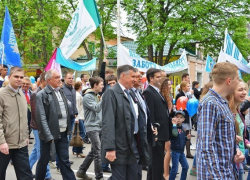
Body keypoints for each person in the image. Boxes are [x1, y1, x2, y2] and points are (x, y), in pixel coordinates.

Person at [196, 62, 244, 179]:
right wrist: (217, 177)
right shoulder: (211, 103)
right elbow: (206, 147)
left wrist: (236, 151)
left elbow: (221, 139)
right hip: (218, 175)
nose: (238, 81)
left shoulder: (221, 102)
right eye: (237, 79)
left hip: (227, 172)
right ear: (229, 81)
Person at [102, 65, 141, 180]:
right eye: (132, 76)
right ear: (123, 75)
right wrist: (110, 148)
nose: (135, 79)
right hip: (119, 145)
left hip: (132, 143)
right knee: (119, 177)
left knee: (133, 176)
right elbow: (108, 122)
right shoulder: (111, 93)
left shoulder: (131, 93)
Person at [35, 69, 76, 180]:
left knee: (64, 160)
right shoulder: (41, 95)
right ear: (49, 80)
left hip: (62, 133)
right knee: (44, 161)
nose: (60, 79)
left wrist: (68, 129)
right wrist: (48, 136)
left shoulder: (60, 91)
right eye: (57, 77)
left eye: (60, 77)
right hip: (49, 136)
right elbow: (41, 118)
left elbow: (66, 111)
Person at [0, 66, 33, 180]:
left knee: (26, 176)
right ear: (9, 77)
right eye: (16, 76)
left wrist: (26, 135)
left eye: (21, 77)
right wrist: (1, 142)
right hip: (4, 144)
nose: (19, 79)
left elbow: (24, 118)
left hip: (21, 144)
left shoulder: (22, 95)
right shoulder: (1, 94)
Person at [143, 68, 170, 180]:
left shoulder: (156, 91)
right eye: (158, 77)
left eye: (161, 76)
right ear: (151, 78)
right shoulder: (148, 92)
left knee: (154, 166)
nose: (160, 79)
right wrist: (154, 134)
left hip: (162, 133)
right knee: (156, 165)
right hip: (156, 134)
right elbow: (150, 115)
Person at [129, 69, 155, 180]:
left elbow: (144, 113)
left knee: (138, 170)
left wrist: (150, 126)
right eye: (137, 76)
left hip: (141, 134)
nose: (140, 78)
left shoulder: (139, 92)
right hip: (133, 136)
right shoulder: (128, 93)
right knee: (131, 171)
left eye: (141, 76)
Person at [76, 77, 104, 180]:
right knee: (98, 152)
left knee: (94, 152)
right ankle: (99, 177)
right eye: (101, 84)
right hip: (92, 127)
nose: (103, 86)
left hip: (98, 126)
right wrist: (103, 99)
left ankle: (81, 171)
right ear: (95, 85)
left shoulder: (96, 95)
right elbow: (96, 108)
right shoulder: (87, 97)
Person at [29, 72, 54, 180]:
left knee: (36, 150)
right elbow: (35, 114)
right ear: (43, 81)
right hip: (38, 127)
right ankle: (47, 175)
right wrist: (42, 128)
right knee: (41, 153)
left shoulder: (47, 92)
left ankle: (26, 168)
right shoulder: (36, 93)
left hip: (43, 127)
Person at [228, 80, 248, 180]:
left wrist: (247, 143)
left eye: (245, 89)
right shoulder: (228, 110)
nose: (244, 92)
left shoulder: (238, 110)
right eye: (240, 90)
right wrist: (233, 137)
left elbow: (241, 132)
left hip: (241, 156)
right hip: (233, 159)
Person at [102, 74, 117, 173]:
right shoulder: (107, 94)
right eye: (109, 83)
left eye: (113, 83)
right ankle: (103, 166)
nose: (112, 85)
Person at [169, 110, 190, 180]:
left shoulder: (182, 129)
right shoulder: (173, 127)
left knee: (185, 166)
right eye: (177, 117)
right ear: (174, 118)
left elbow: (181, 137)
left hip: (181, 152)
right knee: (175, 169)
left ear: (183, 119)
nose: (178, 119)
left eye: (181, 117)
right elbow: (175, 134)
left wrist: (186, 138)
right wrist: (174, 124)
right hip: (175, 151)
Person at [175, 81, 194, 158]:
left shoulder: (188, 95)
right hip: (183, 117)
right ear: (183, 87)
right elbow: (178, 106)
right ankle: (181, 152)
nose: (189, 88)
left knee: (188, 134)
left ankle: (188, 152)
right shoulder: (179, 95)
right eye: (188, 86)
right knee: (182, 135)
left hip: (188, 116)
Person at [160, 78, 173, 180]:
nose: (170, 87)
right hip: (163, 128)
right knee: (168, 150)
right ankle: (166, 173)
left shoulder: (169, 97)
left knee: (168, 150)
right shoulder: (162, 96)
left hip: (169, 125)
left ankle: (166, 170)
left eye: (170, 85)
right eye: (168, 85)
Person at [72, 81, 86, 158]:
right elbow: (77, 107)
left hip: (79, 116)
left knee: (77, 134)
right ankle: (79, 150)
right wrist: (77, 117)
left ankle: (75, 149)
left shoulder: (77, 95)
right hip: (78, 117)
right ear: (80, 86)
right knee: (82, 133)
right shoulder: (77, 96)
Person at [22, 76, 33, 141]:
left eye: (27, 84)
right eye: (24, 83)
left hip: (30, 117)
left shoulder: (32, 93)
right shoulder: (18, 93)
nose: (25, 85)